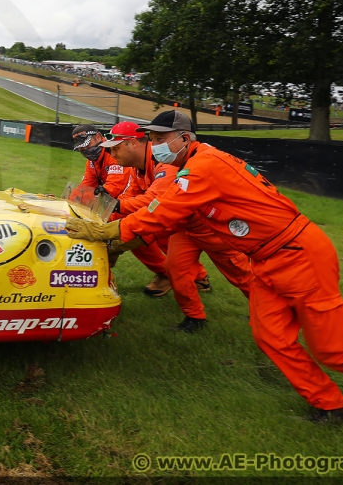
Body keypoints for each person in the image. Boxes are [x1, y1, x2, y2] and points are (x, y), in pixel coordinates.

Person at [64, 110, 343, 428]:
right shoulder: (195, 164)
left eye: (160, 137)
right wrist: (112, 228)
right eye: (152, 137)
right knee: (271, 337)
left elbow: (161, 214)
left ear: (183, 138)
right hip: (268, 257)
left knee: (335, 350)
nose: (156, 144)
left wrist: (108, 230)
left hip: (298, 255)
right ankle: (333, 407)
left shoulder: (203, 167)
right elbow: (155, 210)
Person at [102, 119, 248, 333]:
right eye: (153, 138)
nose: (112, 155)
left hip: (212, 226)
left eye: (116, 148)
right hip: (183, 225)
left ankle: (267, 310)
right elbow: (134, 201)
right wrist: (114, 216)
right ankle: (195, 318)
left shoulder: (169, 163)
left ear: (133, 143)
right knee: (175, 269)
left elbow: (154, 203)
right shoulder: (137, 169)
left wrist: (116, 217)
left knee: (240, 273)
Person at [67, 124, 170, 297]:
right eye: (81, 147)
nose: (85, 149)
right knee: (136, 237)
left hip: (147, 202)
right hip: (135, 202)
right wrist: (67, 205)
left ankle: (174, 274)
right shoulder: (94, 162)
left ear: (99, 137)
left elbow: (115, 187)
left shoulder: (116, 153)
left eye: (87, 143)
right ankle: (186, 275)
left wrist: (106, 215)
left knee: (142, 236)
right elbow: (85, 188)